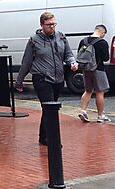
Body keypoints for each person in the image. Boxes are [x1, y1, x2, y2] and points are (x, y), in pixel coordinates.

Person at [15, 11, 78, 145]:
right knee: (50, 108)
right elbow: (26, 62)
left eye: (54, 24)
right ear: (42, 25)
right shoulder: (34, 40)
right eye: (49, 24)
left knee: (49, 108)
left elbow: (68, 54)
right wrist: (19, 81)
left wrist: (72, 62)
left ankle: (43, 137)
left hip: (58, 79)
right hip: (42, 78)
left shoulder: (61, 37)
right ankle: (52, 140)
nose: (52, 27)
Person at [77, 24, 111, 123]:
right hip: (98, 69)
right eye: (104, 34)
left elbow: (79, 55)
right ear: (102, 32)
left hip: (86, 69)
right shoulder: (102, 42)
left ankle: (83, 111)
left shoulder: (83, 41)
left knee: (88, 91)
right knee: (100, 92)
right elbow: (106, 58)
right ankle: (100, 116)